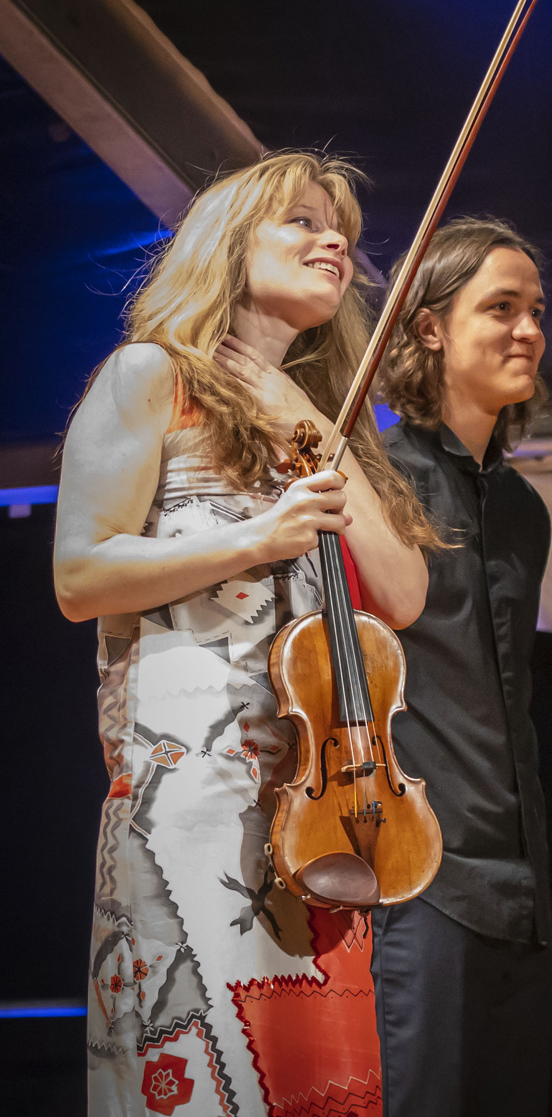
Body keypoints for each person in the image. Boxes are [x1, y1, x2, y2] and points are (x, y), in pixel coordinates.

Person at [53, 151, 435, 1117]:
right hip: (190, 804)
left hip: (321, 813)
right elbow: (80, 575)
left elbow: (403, 593)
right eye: (301, 221)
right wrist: (259, 537)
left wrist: (307, 418)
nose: (333, 240)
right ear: (228, 245)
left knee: (312, 1086)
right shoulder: (151, 377)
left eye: (340, 228)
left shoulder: (321, 422)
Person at [373, 217, 552, 1116]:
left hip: (523, 883)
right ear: (430, 327)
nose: (529, 330)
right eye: (502, 308)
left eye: (537, 312)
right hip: (422, 878)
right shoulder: (376, 481)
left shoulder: (525, 510)